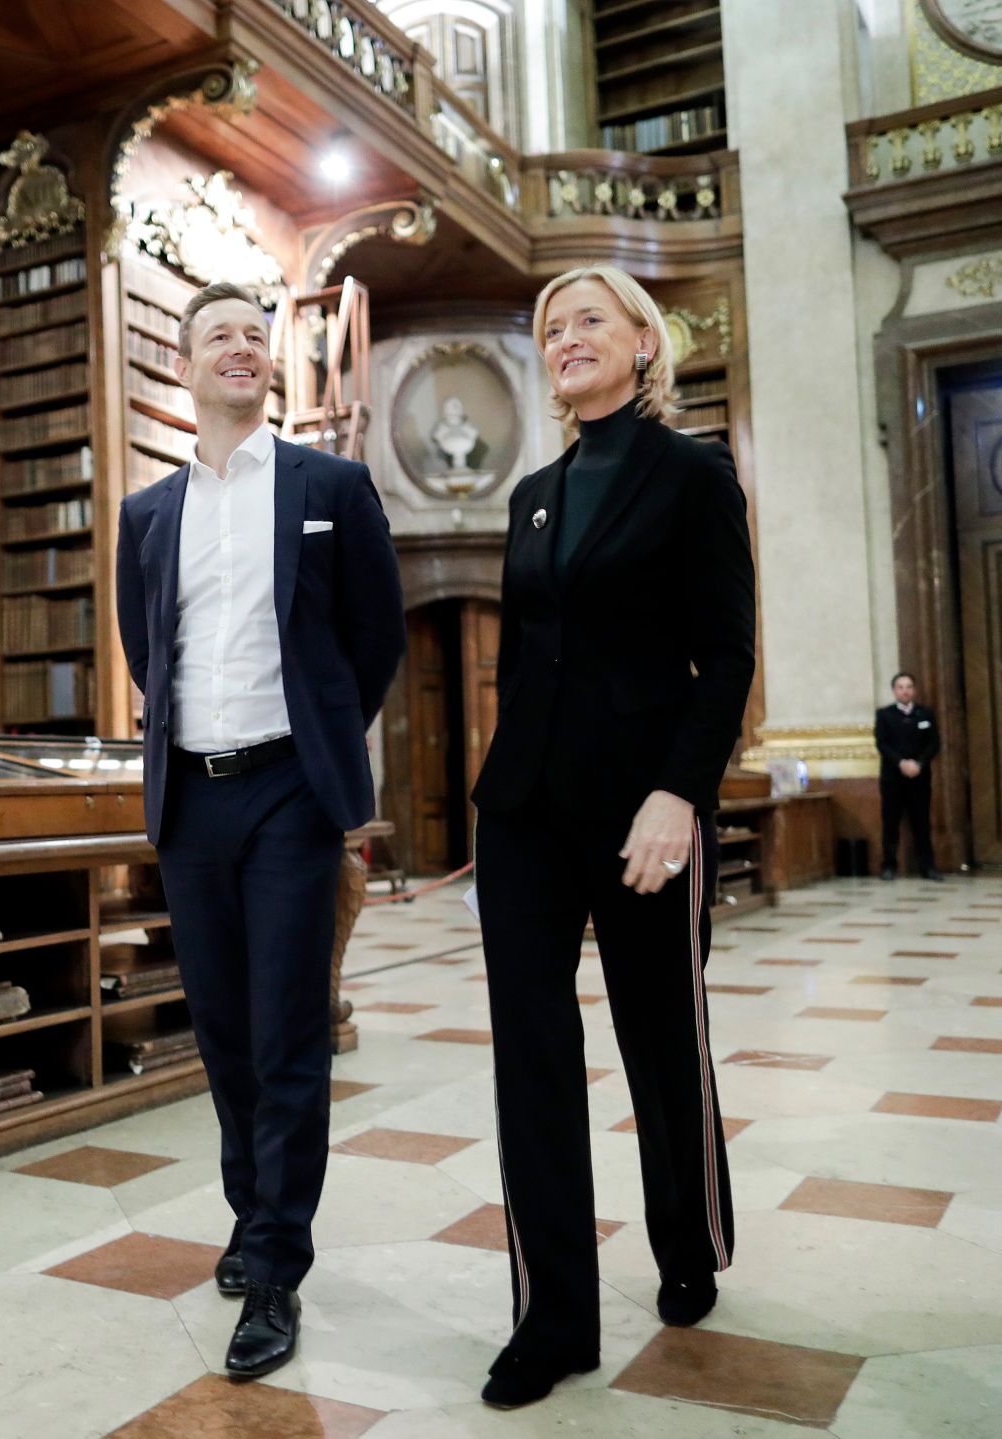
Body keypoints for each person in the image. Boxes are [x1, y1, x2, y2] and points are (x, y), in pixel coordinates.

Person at [468, 263, 756, 1409]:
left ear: (643, 342)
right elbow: (522, 660)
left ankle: (687, 1240)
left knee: (659, 1033)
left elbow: (723, 653)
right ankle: (551, 1318)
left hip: (642, 809)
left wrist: (678, 793)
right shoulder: (530, 493)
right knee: (530, 1056)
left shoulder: (691, 472)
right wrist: (499, 790)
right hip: (522, 814)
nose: (565, 337)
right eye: (550, 326)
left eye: (588, 318)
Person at [114, 280, 404, 1380]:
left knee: (287, 1028)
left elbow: (374, 636)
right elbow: (148, 652)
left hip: (290, 790)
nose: (240, 348)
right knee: (224, 1029)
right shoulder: (148, 513)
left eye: (254, 335)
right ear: (183, 367)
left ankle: (276, 1263)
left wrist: (319, 733)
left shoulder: (330, 485)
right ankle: (251, 1212)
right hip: (191, 798)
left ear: (267, 365)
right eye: (218, 337)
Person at [875, 672, 942, 881]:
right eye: (901, 687)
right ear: (894, 691)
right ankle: (889, 866)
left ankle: (928, 867)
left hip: (919, 778)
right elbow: (882, 744)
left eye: (909, 687)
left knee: (922, 823)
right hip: (892, 779)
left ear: (914, 690)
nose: (905, 691)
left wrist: (918, 763)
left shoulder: (925, 714)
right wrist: (901, 763)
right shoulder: (884, 714)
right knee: (890, 823)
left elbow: (934, 743)